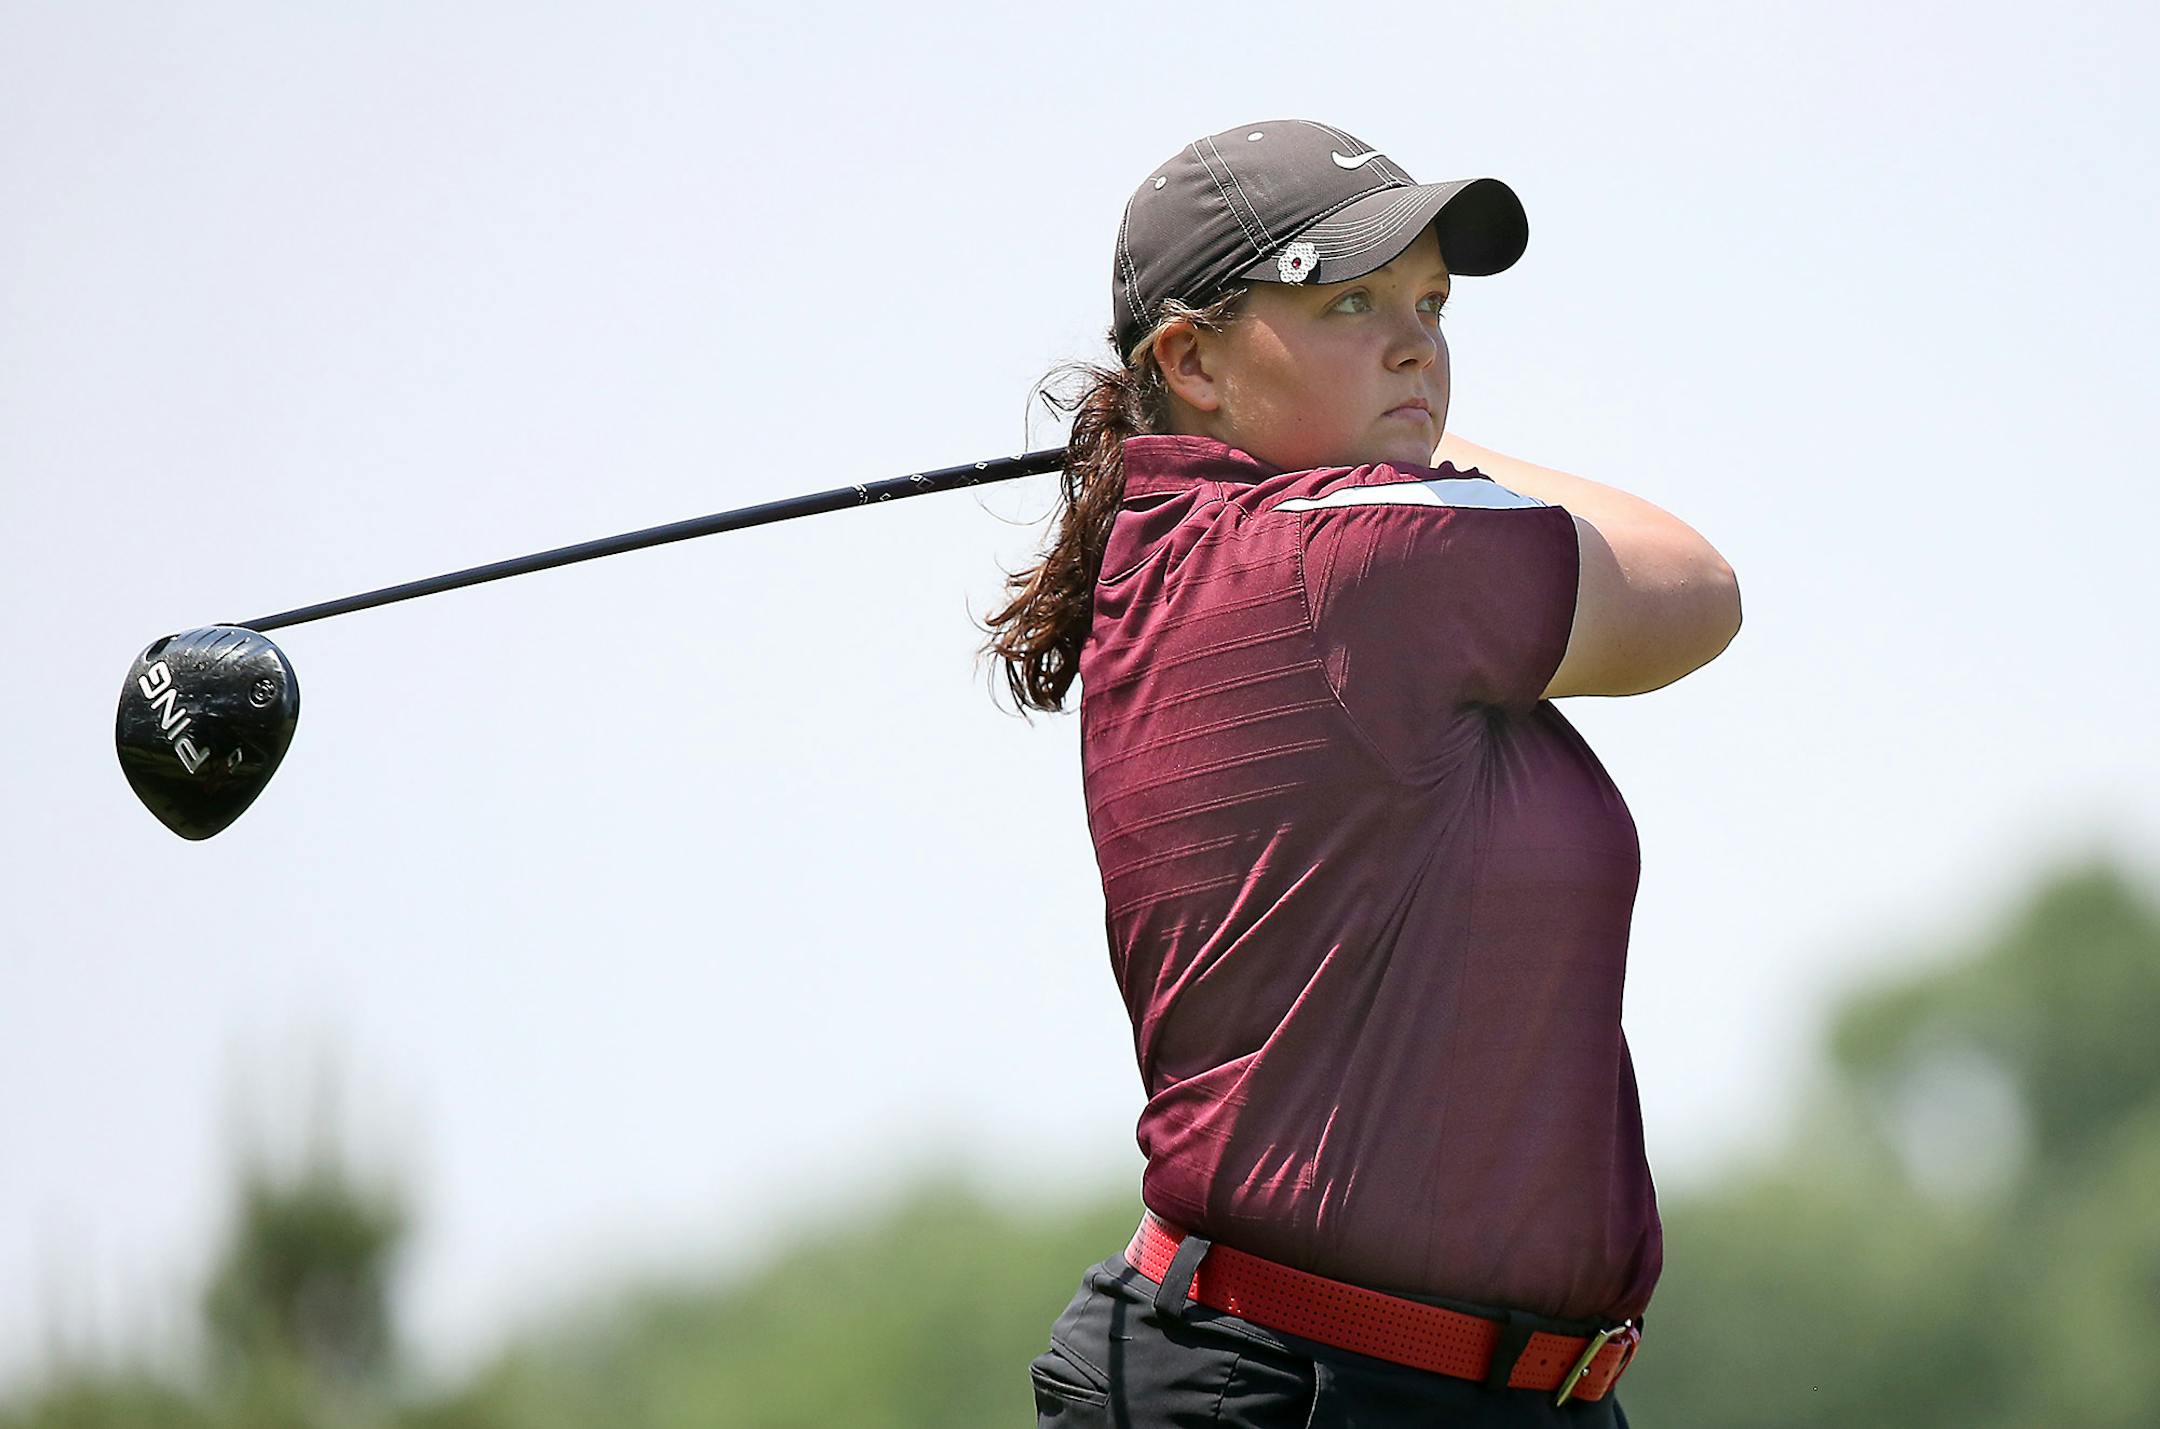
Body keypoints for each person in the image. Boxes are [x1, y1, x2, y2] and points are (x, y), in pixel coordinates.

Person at [980, 119, 1742, 1427]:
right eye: (1349, 301)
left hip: (1406, 1385)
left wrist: (1387, 442)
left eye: (1431, 304)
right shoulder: (1362, 562)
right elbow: (1694, 586)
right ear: (1192, 361)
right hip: (1299, 1389)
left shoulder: (1210, 552)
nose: (1419, 344)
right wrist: (1438, 459)